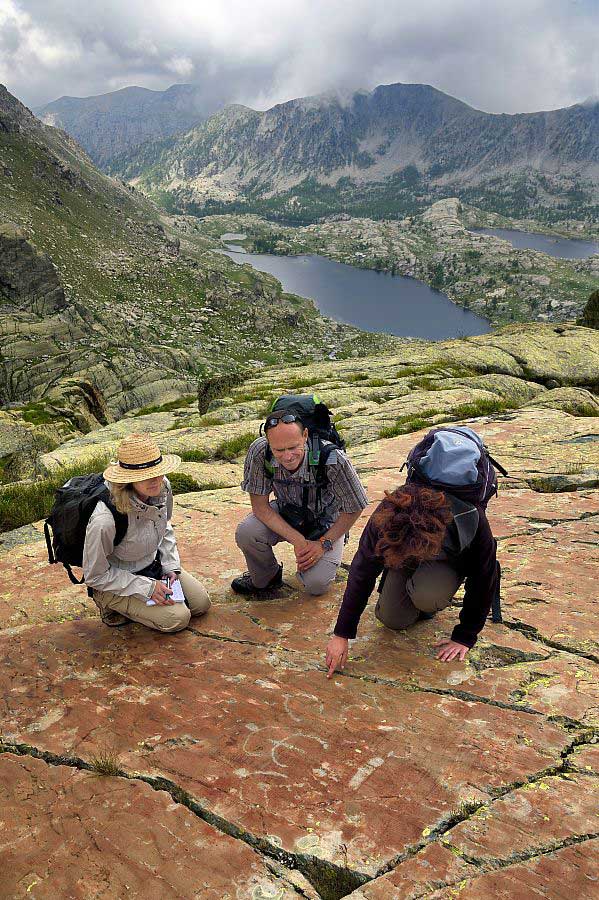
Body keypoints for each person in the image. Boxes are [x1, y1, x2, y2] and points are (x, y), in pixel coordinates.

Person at [325, 481, 498, 676]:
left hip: (445, 558)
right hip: (408, 549)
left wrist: (465, 636)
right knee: (392, 619)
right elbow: (362, 571)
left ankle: (426, 592)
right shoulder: (387, 514)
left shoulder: (468, 519)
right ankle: (404, 577)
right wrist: (342, 633)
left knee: (428, 596)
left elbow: (484, 579)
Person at [232, 410, 369, 596]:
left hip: (326, 524)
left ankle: (322, 564)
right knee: (247, 532)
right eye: (279, 450)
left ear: (305, 435)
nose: (287, 456)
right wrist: (299, 541)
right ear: (268, 441)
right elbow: (260, 507)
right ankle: (267, 576)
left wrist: (323, 544)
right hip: (287, 512)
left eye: (293, 447)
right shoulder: (260, 451)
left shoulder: (331, 458)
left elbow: (355, 507)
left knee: (316, 585)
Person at [83, 432, 210, 632]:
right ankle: (109, 604)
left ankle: (145, 603)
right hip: (117, 580)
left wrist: (171, 566)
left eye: (158, 471)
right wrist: (147, 588)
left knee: (201, 603)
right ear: (127, 479)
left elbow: (164, 526)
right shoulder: (105, 520)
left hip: (152, 564)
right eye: (145, 476)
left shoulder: (162, 487)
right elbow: (95, 576)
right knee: (178, 618)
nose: (155, 480)